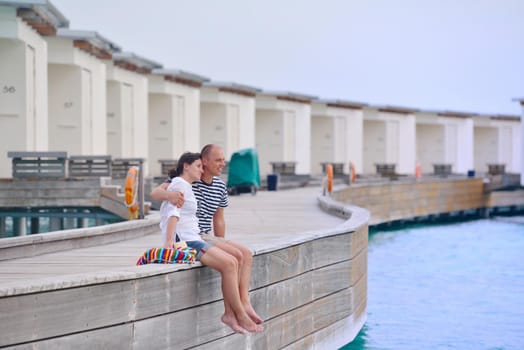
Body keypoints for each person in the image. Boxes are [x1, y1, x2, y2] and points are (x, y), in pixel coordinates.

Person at [151, 144, 264, 328]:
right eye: (218, 160)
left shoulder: (219, 185)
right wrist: (170, 196)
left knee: (244, 254)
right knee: (231, 261)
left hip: (203, 235)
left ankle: (244, 302)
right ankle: (236, 312)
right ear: (205, 161)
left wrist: (221, 243)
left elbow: (219, 219)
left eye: (223, 160)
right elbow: (157, 194)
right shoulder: (187, 180)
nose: (223, 164)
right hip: (194, 236)